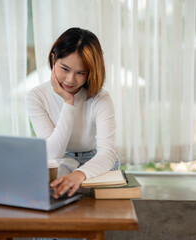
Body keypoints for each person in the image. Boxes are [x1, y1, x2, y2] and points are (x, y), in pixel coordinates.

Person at [26, 27, 119, 199]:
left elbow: (107, 153)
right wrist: (68, 103)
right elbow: (53, 154)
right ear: (54, 58)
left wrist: (79, 174)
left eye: (80, 73)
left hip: (97, 160)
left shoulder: (101, 99)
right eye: (65, 69)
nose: (70, 80)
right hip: (62, 160)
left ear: (90, 72)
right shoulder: (36, 97)